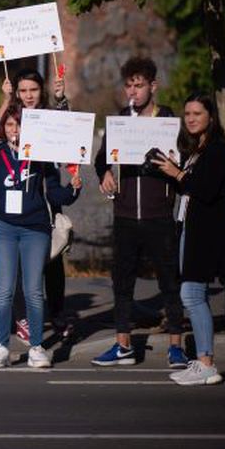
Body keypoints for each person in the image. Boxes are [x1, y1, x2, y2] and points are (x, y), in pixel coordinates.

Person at [91, 57, 186, 367]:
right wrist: (104, 172)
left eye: (139, 85)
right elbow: (101, 158)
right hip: (126, 214)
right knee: (122, 282)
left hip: (159, 214)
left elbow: (183, 158)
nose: (133, 91)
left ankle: (176, 345)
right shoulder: (120, 120)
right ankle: (123, 345)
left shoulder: (169, 119)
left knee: (170, 281)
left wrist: (174, 167)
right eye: (129, 85)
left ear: (152, 86)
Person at [0, 106, 82, 368]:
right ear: (3, 130)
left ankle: (36, 347)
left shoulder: (43, 156)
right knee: (3, 290)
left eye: (19, 125)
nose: (14, 131)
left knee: (33, 290)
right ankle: (1, 347)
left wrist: (73, 188)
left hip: (35, 229)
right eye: (9, 126)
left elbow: (54, 195)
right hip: (5, 228)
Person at [151, 93, 225, 386]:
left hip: (207, 232)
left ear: (211, 117)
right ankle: (202, 360)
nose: (190, 118)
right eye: (187, 114)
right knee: (192, 294)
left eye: (197, 113)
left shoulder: (219, 149)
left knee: (192, 294)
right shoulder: (195, 149)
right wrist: (172, 169)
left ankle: (206, 363)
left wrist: (178, 173)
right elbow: (188, 183)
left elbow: (208, 189)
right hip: (189, 227)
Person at [0, 69, 74, 340]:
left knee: (52, 259)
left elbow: (70, 132)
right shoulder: (14, 114)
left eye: (33, 90)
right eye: (23, 90)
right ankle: (22, 317)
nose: (28, 95)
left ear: (42, 91)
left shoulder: (49, 114)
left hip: (46, 191)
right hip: (17, 195)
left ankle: (58, 314)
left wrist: (61, 100)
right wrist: (5, 99)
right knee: (15, 262)